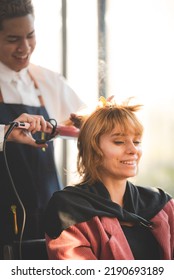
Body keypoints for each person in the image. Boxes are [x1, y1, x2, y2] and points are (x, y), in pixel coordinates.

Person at [0, 0, 85, 259]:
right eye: (13, 39)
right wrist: (6, 131)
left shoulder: (49, 80)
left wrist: (95, 121)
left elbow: (83, 127)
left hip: (48, 207)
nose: (24, 48)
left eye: (30, 35)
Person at [44, 97, 174, 260]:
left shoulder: (160, 203)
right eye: (119, 142)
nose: (133, 150)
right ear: (93, 148)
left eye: (136, 141)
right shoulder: (68, 209)